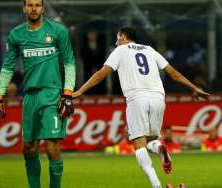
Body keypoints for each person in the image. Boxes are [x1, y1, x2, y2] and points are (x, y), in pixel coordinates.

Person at [73, 27, 210, 188]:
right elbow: (173, 73)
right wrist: (193, 87)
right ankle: (160, 149)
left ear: (123, 37)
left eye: (118, 38)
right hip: (159, 97)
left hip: (137, 98)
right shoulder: (150, 50)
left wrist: (80, 91)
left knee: (138, 144)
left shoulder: (120, 50)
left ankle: (157, 185)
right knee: (152, 140)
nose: (116, 42)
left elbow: (101, 74)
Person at [0, 0, 76, 187]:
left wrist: (68, 93)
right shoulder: (16, 35)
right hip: (29, 96)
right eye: (30, 5)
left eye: (37, 5)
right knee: (29, 148)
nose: (34, 8)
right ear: (24, 8)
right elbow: (7, 67)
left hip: (52, 95)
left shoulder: (58, 31)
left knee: (52, 147)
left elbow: (70, 62)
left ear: (43, 8)